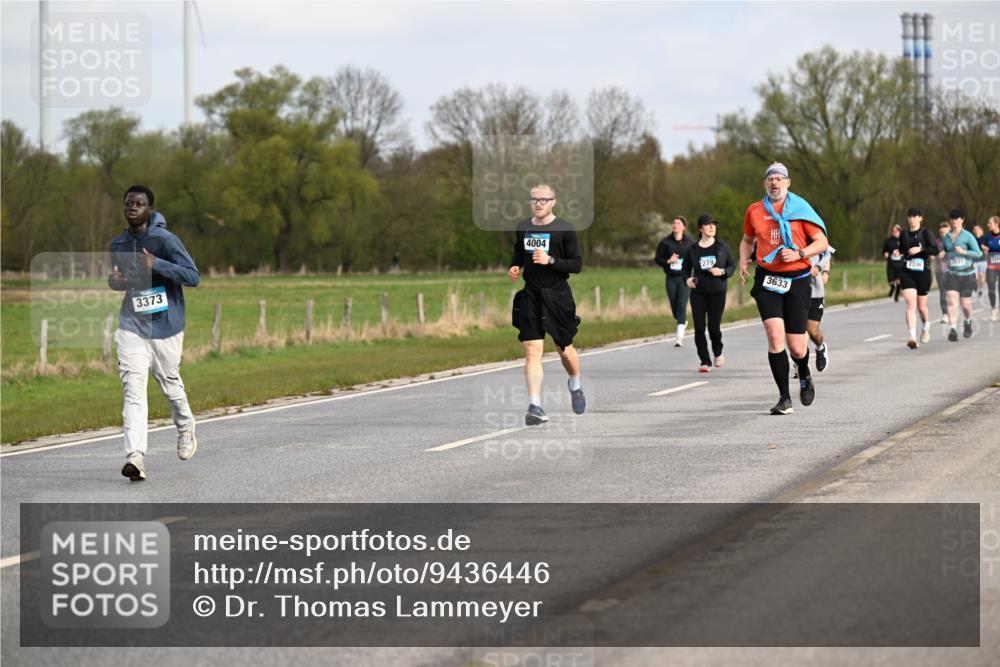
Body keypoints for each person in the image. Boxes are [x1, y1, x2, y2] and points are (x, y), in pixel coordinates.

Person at [108, 185, 200, 481]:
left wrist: (156, 263)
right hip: (132, 326)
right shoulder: (118, 244)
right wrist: (116, 282)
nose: (132, 207)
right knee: (133, 390)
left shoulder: (165, 240)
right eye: (128, 203)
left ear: (149, 209)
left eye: (139, 203)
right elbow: (130, 282)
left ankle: (186, 426)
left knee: (169, 385)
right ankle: (135, 457)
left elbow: (192, 276)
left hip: (166, 326)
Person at [739, 162, 829, 416]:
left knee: (797, 347)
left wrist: (800, 252)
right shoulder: (755, 211)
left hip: (797, 281)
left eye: (780, 179)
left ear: (788, 183)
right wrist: (743, 259)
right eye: (770, 180)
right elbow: (747, 240)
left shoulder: (801, 209)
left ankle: (804, 372)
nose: (775, 183)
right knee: (774, 335)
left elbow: (822, 242)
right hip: (768, 279)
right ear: (764, 184)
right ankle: (784, 398)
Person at [508, 184, 586, 425]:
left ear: (554, 201)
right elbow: (519, 254)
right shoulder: (523, 227)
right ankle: (535, 406)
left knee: (565, 349)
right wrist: (515, 267)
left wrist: (550, 260)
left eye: (544, 199)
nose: (538, 203)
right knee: (532, 349)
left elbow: (576, 265)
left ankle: (575, 383)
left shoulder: (565, 229)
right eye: (534, 200)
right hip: (531, 295)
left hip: (557, 296)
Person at [683, 214, 735, 372]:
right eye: (707, 224)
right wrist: (687, 280)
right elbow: (685, 270)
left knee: (714, 328)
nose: (712, 227)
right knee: (699, 328)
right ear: (700, 228)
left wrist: (722, 271)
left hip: (717, 293)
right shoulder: (692, 249)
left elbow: (732, 267)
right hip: (698, 293)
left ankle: (718, 352)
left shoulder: (722, 247)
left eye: (713, 224)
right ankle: (704, 361)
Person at [897, 207, 939, 349]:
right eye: (910, 217)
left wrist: (920, 250)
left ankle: (926, 326)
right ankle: (912, 337)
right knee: (910, 304)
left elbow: (935, 250)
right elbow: (903, 250)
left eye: (915, 216)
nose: (912, 219)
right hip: (907, 271)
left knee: (921, 307)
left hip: (923, 272)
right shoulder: (904, 234)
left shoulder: (926, 233)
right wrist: (898, 252)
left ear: (920, 218)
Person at [941, 209, 982, 341]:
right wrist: (943, 256)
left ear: (962, 220)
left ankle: (967, 321)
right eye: (952, 219)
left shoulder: (968, 236)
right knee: (952, 302)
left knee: (965, 305)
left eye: (957, 218)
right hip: (952, 273)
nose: (954, 221)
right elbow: (946, 253)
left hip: (966, 274)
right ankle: (952, 329)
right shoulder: (946, 237)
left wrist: (964, 251)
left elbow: (978, 253)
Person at [654, 215, 694, 347]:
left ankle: (679, 337)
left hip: (684, 278)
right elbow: (657, 259)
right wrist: (668, 261)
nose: (675, 225)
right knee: (675, 309)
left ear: (684, 227)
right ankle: (681, 321)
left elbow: (696, 256)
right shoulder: (665, 242)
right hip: (671, 278)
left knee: (682, 306)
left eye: (678, 223)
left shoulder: (690, 242)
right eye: (674, 223)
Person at [806, 247, 832, 371]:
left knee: (812, 331)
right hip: (794, 290)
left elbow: (827, 254)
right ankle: (801, 364)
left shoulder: (813, 231)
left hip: (814, 291)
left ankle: (820, 347)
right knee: (797, 330)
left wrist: (823, 270)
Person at [980, 216, 1000, 322]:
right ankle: (993, 309)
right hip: (991, 266)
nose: (988, 225)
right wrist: (984, 249)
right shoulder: (987, 237)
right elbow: (982, 247)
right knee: (991, 288)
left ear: (996, 223)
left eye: (990, 223)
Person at [882, 224, 904, 302]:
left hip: (900, 264)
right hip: (891, 264)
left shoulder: (903, 240)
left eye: (896, 231)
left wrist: (901, 254)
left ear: (899, 232)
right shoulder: (888, 241)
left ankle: (896, 295)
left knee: (899, 281)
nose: (894, 233)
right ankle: (892, 288)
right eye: (893, 231)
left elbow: (906, 251)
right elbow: (884, 250)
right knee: (891, 280)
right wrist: (885, 253)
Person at [935, 221, 951, 323]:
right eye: (941, 232)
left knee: (952, 293)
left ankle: (953, 311)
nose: (943, 234)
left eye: (945, 232)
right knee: (943, 293)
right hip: (940, 271)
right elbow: (931, 251)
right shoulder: (936, 242)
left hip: (953, 271)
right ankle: (945, 314)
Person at [972, 224, 987, 297]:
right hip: (974, 260)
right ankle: (977, 288)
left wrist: (986, 249)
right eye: (974, 229)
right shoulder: (972, 238)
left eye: (977, 229)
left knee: (981, 276)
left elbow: (989, 248)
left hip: (983, 260)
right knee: (975, 277)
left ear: (981, 230)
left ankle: (981, 289)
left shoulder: (984, 238)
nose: (976, 230)